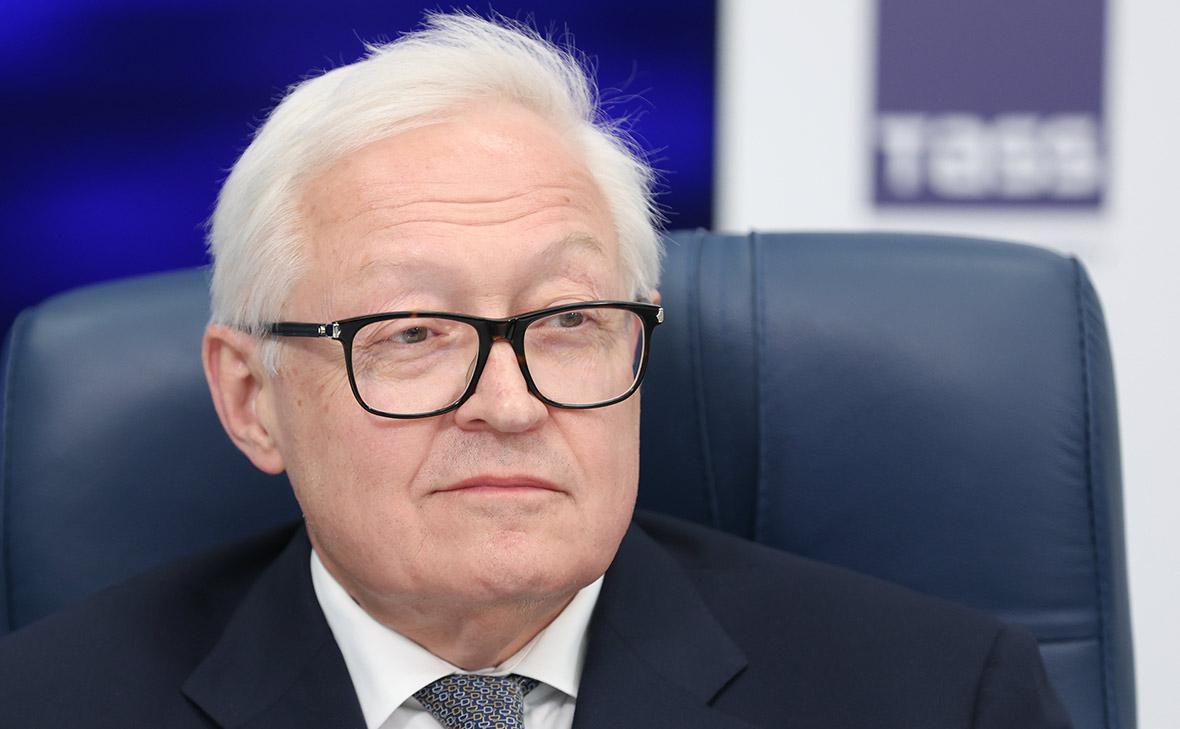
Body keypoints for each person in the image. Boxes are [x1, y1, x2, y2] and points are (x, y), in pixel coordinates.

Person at [0, 12, 1071, 728]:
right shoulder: (46, 705)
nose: (509, 405)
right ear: (251, 399)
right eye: (412, 333)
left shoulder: (938, 697)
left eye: (567, 321)